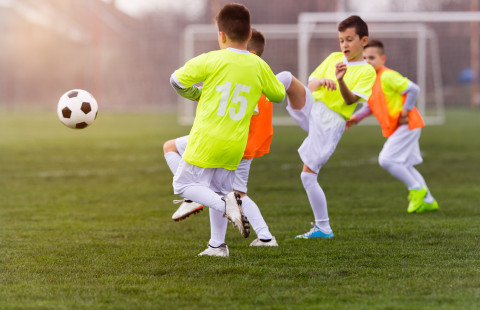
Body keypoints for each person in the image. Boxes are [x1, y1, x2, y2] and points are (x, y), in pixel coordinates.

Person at [169, 4, 285, 255]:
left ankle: (224, 205)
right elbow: (278, 94)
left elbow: (176, 80)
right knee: (223, 189)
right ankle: (217, 246)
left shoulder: (212, 58)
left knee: (183, 185)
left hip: (206, 140)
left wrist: (196, 94)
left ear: (221, 35)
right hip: (235, 145)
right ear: (249, 34)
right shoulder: (258, 66)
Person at [275, 15, 376, 239]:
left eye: (349, 39)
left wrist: (340, 80)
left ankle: (323, 228)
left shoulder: (367, 71)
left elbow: (351, 101)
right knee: (286, 78)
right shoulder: (332, 58)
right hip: (313, 108)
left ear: (364, 41)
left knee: (308, 177)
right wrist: (321, 82)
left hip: (330, 122)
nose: (344, 45)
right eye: (341, 40)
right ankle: (256, 104)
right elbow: (311, 85)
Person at [345, 39, 438, 213]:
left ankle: (417, 190)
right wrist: (356, 118)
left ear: (383, 59)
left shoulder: (387, 76)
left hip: (407, 124)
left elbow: (413, 89)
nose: (368, 61)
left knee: (386, 160)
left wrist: (405, 110)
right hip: (400, 127)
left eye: (372, 57)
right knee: (407, 165)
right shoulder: (369, 80)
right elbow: (371, 105)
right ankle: (428, 200)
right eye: (364, 58)